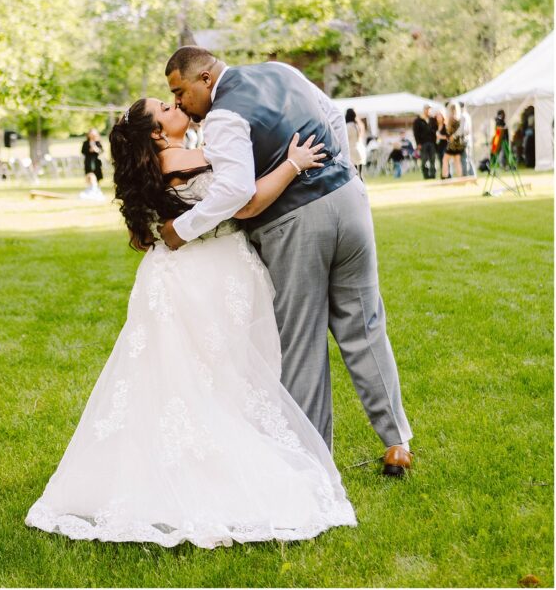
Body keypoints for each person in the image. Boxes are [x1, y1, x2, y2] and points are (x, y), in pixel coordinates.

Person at [26, 99, 356, 546]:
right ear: (158, 133)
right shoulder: (181, 157)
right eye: (165, 106)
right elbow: (244, 193)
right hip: (205, 274)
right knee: (217, 377)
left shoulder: (163, 162)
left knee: (190, 377)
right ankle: (216, 468)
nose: (176, 104)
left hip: (189, 271)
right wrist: (293, 162)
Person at [161, 48, 412, 478]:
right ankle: (397, 444)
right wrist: (347, 169)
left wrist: (181, 229)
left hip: (294, 224)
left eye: (180, 92)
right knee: (366, 324)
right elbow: (332, 114)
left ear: (205, 78)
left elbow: (235, 191)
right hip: (349, 203)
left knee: (301, 340)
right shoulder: (279, 72)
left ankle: (312, 463)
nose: (180, 103)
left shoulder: (223, 116)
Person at [412, 105, 437, 180]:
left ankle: (433, 175)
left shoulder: (432, 119)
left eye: (429, 109)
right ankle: (426, 176)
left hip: (432, 143)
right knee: (424, 160)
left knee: (433, 160)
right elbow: (415, 133)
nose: (428, 111)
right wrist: (418, 143)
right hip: (423, 143)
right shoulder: (418, 120)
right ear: (424, 110)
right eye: (427, 109)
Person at [80, 128, 105, 201]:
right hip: (88, 161)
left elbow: (101, 151)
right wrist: (89, 150)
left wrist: (96, 149)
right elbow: (83, 151)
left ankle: (96, 190)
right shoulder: (85, 143)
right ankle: (91, 188)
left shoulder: (98, 142)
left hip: (96, 161)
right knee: (89, 174)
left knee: (97, 175)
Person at [442, 102, 464, 179]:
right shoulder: (460, 118)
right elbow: (461, 130)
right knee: (457, 161)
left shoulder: (450, 118)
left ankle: (445, 176)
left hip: (452, 143)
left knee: (445, 159)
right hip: (459, 142)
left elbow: (448, 131)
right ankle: (460, 177)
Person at [345, 107, 367, 179]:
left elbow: (346, 139)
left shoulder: (348, 126)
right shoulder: (357, 125)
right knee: (360, 174)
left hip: (352, 151)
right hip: (359, 149)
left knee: (355, 175)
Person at [459, 102, 474, 176]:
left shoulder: (462, 116)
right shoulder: (468, 115)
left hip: (464, 140)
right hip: (469, 140)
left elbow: (463, 130)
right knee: (469, 158)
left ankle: (465, 175)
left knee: (464, 159)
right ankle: (472, 175)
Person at [434, 110, 448, 178]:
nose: (438, 118)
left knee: (445, 160)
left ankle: (447, 175)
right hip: (438, 146)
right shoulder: (435, 126)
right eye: (437, 117)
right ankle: (442, 175)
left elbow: (448, 137)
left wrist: (440, 137)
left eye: (440, 116)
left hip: (445, 146)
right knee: (440, 160)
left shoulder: (445, 126)